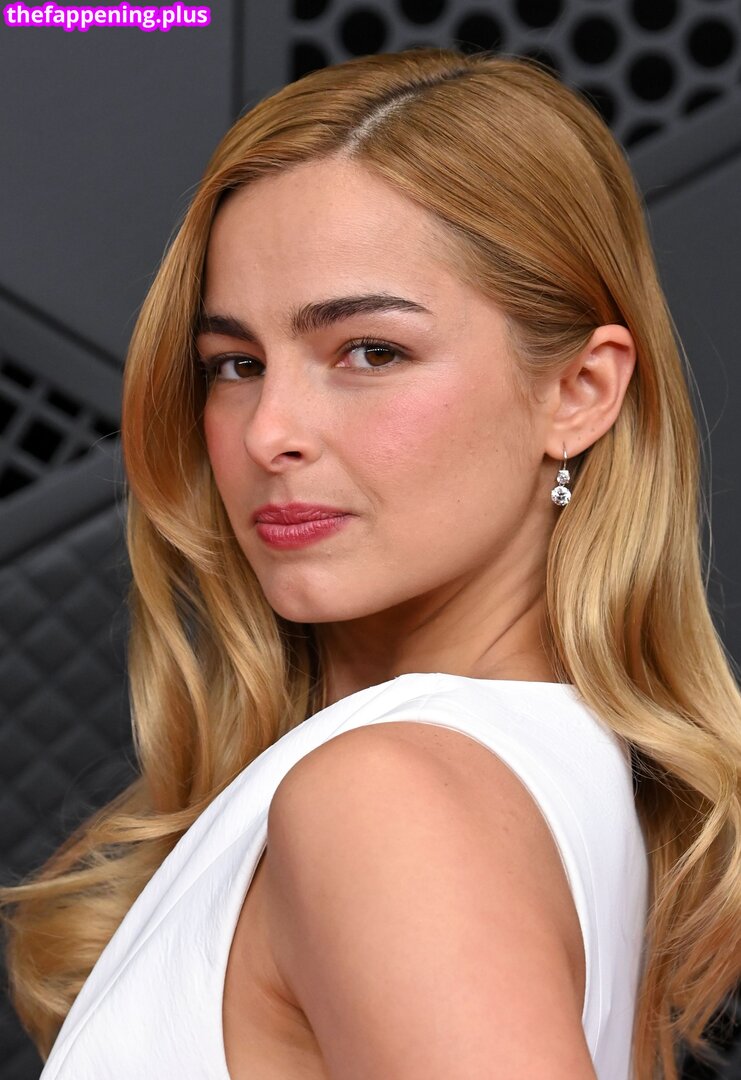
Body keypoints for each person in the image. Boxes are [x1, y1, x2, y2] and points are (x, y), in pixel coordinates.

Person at [2, 45, 740, 1080]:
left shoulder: (387, 798)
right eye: (235, 365)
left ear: (578, 392)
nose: (269, 431)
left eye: (370, 351)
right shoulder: (529, 779)